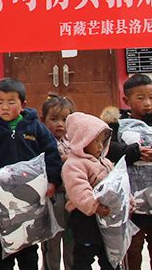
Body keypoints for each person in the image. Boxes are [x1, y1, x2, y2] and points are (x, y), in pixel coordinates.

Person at [0, 78, 63, 270]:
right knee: (2, 249)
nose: (4, 107)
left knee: (29, 250)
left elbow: (51, 154)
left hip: (31, 202)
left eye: (11, 102)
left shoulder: (35, 128)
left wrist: (52, 182)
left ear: (23, 105)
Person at [102, 74, 152, 270]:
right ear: (126, 101)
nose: (148, 103)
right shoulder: (116, 124)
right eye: (140, 98)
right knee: (132, 248)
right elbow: (108, 149)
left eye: (151, 97)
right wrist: (134, 152)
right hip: (130, 201)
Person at [60, 113, 118, 270]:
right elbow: (78, 190)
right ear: (82, 141)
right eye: (95, 141)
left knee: (111, 257)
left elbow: (118, 184)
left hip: (107, 218)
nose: (100, 146)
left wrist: (128, 202)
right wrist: (94, 205)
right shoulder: (74, 165)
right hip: (85, 218)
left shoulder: (105, 163)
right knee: (84, 257)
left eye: (102, 141)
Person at [39, 94, 76, 270]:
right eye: (54, 119)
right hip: (53, 198)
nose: (60, 124)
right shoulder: (43, 142)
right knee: (51, 242)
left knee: (72, 240)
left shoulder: (75, 142)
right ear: (43, 120)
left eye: (65, 119)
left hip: (74, 198)